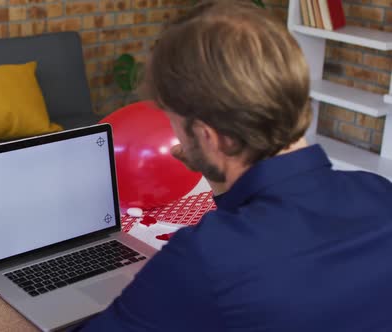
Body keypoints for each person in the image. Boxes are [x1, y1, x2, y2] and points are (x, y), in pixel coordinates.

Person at [75, 1, 392, 331]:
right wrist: (218, 174)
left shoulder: (205, 260)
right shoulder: (380, 194)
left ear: (210, 137)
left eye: (174, 123)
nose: (176, 139)